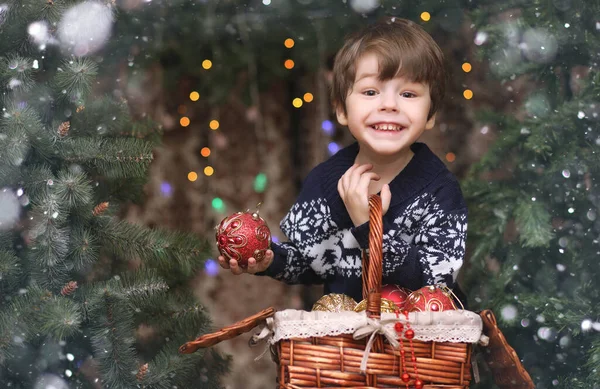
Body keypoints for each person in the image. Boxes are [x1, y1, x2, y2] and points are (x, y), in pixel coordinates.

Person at [218, 17, 467, 304]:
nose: (389, 104)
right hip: (342, 343)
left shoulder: (440, 192)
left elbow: (436, 284)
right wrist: (269, 261)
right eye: (371, 92)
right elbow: (311, 261)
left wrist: (368, 226)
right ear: (341, 110)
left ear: (431, 114)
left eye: (408, 93)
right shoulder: (325, 181)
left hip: (417, 344)